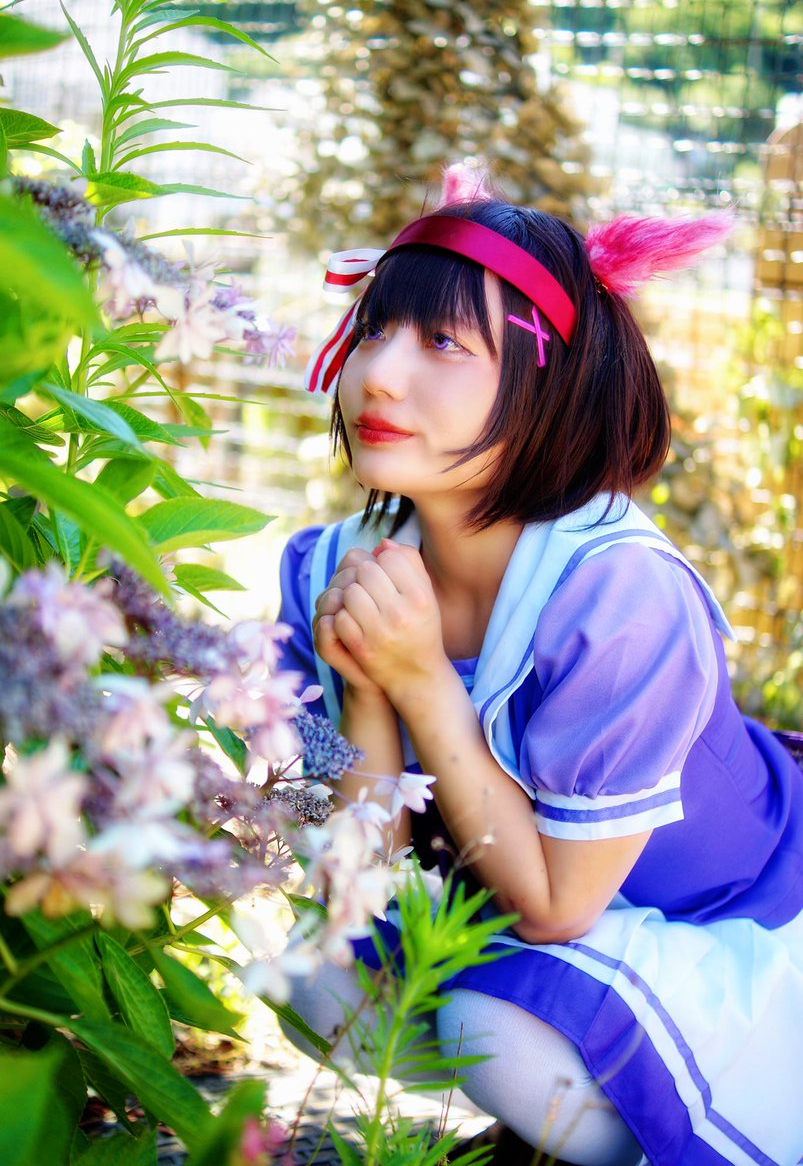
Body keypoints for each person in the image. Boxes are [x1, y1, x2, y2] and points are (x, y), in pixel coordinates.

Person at [276, 166, 803, 1166]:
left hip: (730, 918)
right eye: (375, 330)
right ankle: (552, 1118)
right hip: (528, 918)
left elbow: (559, 908)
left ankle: (607, 1142)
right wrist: (367, 687)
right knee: (319, 978)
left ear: (546, 388)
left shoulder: (620, 595)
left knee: (494, 1028)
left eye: (442, 342)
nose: (378, 375)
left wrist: (421, 679)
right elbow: (351, 871)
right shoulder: (325, 568)